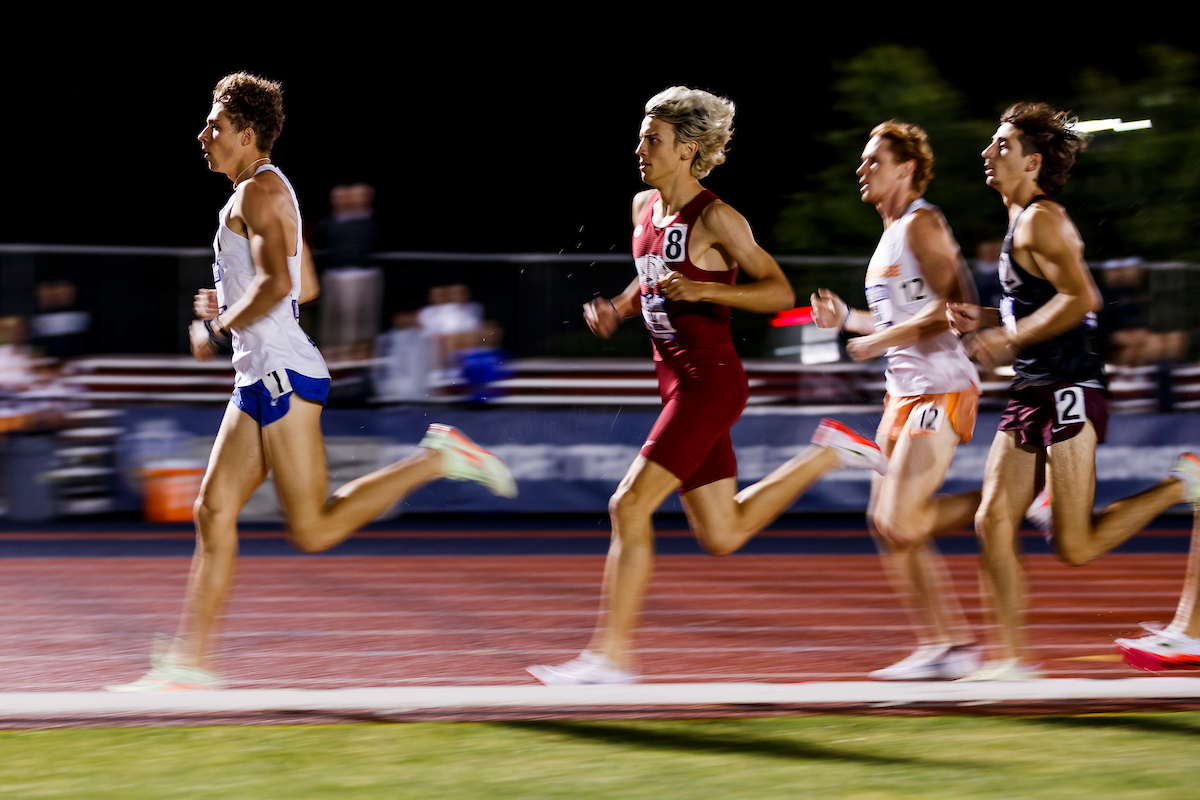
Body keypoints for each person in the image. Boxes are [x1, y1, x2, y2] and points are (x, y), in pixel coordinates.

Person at [108, 73, 515, 692]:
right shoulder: (268, 190)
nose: (203, 135)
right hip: (258, 375)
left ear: (247, 133)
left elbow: (278, 284)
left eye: (215, 125)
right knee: (212, 509)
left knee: (313, 528)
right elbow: (308, 285)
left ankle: (438, 458)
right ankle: (190, 662)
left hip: (282, 375)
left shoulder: (257, 194)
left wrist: (217, 325)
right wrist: (234, 300)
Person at [527, 86, 888, 686]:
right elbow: (649, 279)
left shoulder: (718, 218)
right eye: (641, 137)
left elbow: (778, 291)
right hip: (676, 383)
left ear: (687, 149)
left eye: (653, 139)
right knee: (723, 533)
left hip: (710, 382)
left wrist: (704, 289)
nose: (640, 148)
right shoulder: (643, 207)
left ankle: (610, 659)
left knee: (628, 505)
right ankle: (827, 453)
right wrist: (619, 308)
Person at [947, 102, 1199, 680]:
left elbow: (1083, 299)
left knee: (1075, 546)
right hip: (1031, 388)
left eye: (1002, 145)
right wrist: (988, 319)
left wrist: (1006, 337)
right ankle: (1010, 661)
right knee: (992, 521)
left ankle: (1182, 483)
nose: (988, 152)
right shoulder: (1018, 222)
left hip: (1069, 387)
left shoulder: (1042, 218)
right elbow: (1047, 301)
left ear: (1032, 162)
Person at [810, 121, 983, 680]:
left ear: (906, 168)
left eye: (874, 161)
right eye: (863, 161)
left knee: (901, 518)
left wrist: (878, 342)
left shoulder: (922, 223)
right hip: (903, 392)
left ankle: (1014, 495)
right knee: (884, 523)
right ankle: (946, 647)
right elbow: (895, 321)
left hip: (941, 385)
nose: (862, 169)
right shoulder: (888, 235)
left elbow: (956, 308)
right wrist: (847, 320)